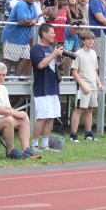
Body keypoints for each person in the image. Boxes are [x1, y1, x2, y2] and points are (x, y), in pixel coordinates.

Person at [0, 63, 40, 159]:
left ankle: (26, 149)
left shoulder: (3, 89)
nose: (1, 78)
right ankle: (10, 151)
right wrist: (16, 113)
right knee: (9, 120)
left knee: (24, 117)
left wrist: (20, 114)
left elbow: (8, 108)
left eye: (3, 75)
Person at [30, 23, 67, 152]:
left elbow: (52, 66)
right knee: (42, 117)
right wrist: (54, 54)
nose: (54, 35)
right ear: (44, 34)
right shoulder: (36, 49)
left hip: (53, 86)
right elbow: (40, 65)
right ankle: (34, 145)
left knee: (51, 116)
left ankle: (45, 144)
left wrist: (61, 63)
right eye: (52, 33)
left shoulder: (51, 48)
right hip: (42, 88)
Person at [70, 30, 103, 141]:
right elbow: (74, 72)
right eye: (88, 39)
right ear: (83, 41)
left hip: (93, 86)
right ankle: (73, 135)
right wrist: (83, 86)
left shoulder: (93, 53)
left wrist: (99, 83)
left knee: (89, 110)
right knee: (78, 109)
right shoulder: (78, 54)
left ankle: (88, 134)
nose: (91, 41)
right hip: (83, 86)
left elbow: (94, 71)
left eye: (92, 39)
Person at [0, 0, 38, 76]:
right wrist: (32, 22)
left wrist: (33, 21)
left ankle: (16, 78)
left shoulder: (32, 5)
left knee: (27, 58)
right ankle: (4, 79)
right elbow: (21, 21)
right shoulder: (21, 5)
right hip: (12, 37)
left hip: (24, 39)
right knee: (8, 60)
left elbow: (36, 18)